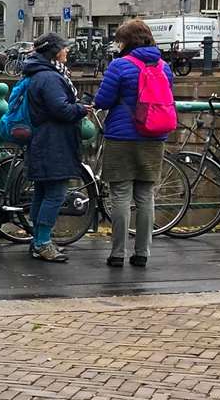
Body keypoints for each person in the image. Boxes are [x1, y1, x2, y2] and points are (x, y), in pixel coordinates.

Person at [94, 20, 174, 268]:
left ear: (127, 42)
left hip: (122, 137)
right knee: (145, 195)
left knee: (120, 194)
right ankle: (142, 253)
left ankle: (117, 253)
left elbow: (103, 100)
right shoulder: (164, 67)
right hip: (153, 137)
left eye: (119, 40)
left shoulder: (120, 66)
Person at [22, 32, 88, 263]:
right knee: (56, 193)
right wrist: (81, 109)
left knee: (43, 191)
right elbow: (61, 109)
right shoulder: (49, 78)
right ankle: (42, 242)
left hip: (44, 141)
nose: (67, 51)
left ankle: (38, 240)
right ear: (54, 52)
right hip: (53, 142)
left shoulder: (39, 74)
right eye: (63, 48)